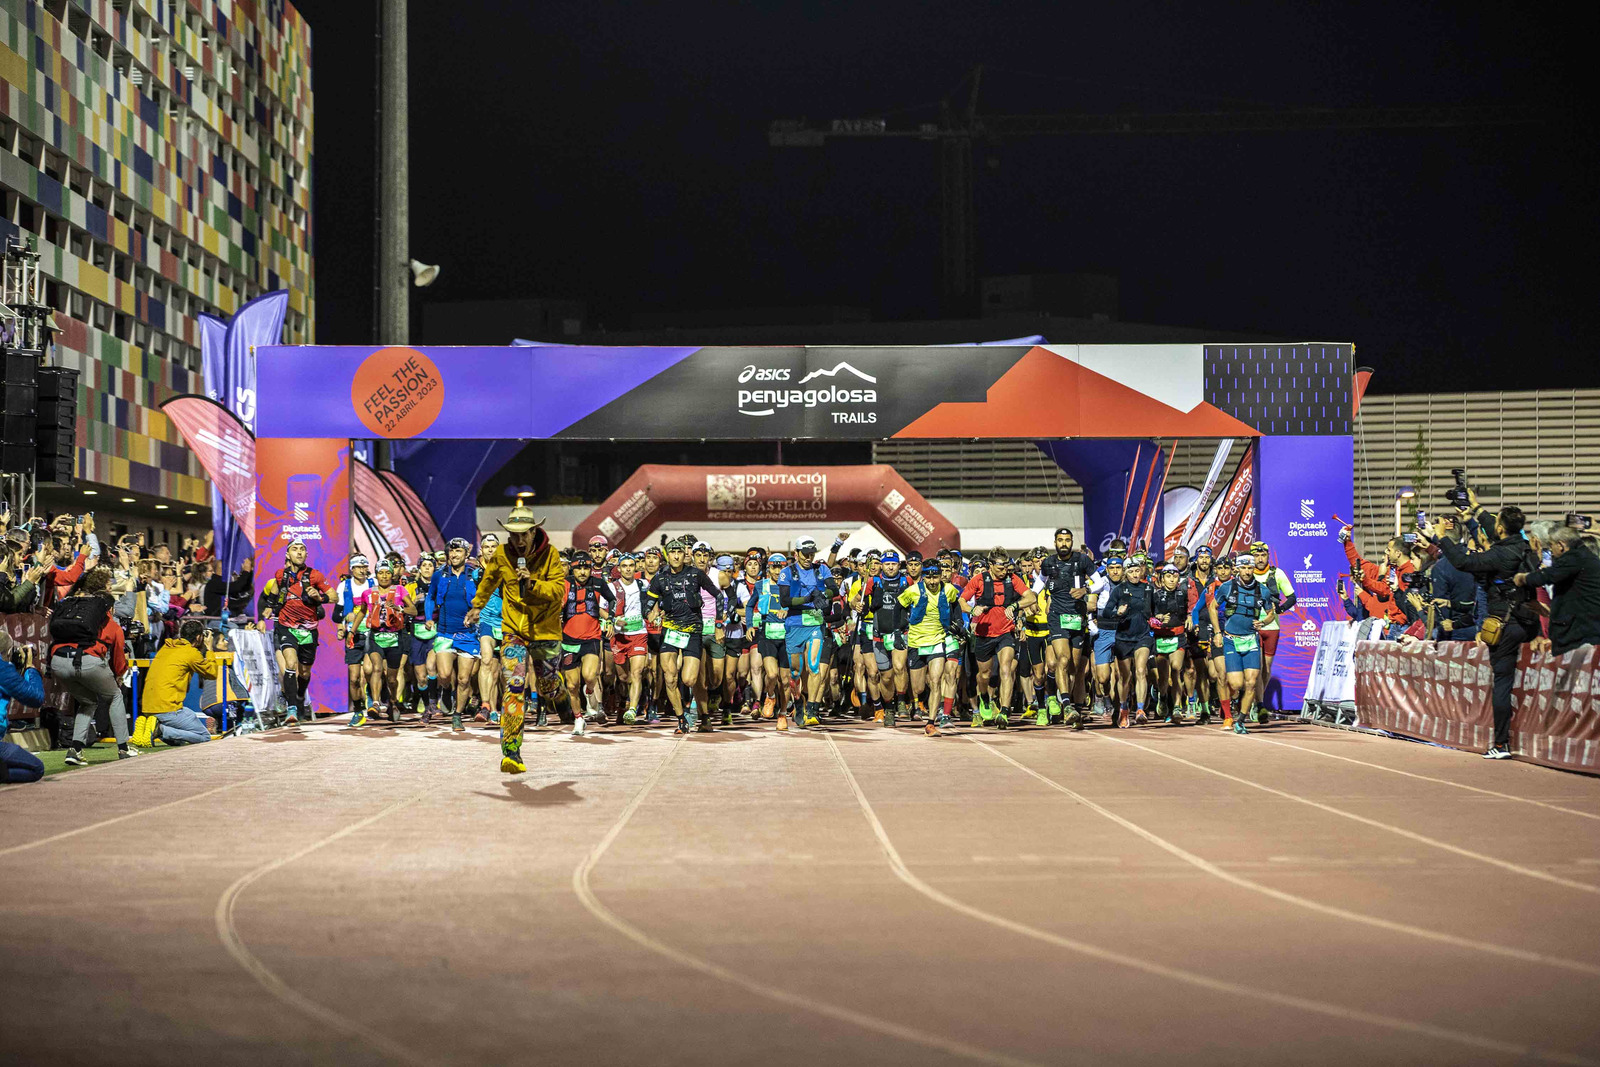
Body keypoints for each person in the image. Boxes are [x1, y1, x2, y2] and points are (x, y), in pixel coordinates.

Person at [1421, 502, 1539, 759]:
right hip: (1530, 622)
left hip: (1505, 625)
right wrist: (1474, 514)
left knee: (1503, 683)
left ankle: (1501, 744)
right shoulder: (1524, 547)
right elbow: (1497, 534)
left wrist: (1441, 538)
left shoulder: (1498, 555)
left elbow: (1463, 561)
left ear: (1501, 528)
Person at [465, 494, 566, 774]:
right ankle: (511, 751)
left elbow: (558, 591)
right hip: (513, 630)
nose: (519, 540)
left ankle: (560, 697)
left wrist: (532, 584)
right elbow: (488, 582)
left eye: (524, 534)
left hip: (545, 629)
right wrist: (477, 606)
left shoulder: (550, 554)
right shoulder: (501, 554)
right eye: (514, 534)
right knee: (515, 685)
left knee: (547, 686)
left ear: (534, 532)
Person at [50, 567, 135, 764]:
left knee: (88, 701)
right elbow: (119, 659)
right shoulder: (111, 623)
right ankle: (124, 748)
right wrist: (119, 675)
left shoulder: (73, 609)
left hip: (58, 662)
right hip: (87, 661)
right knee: (115, 695)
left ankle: (75, 750)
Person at [644, 537, 723, 732]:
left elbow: (718, 596)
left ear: (684, 555)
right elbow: (647, 603)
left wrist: (719, 623)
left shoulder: (696, 574)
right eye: (672, 552)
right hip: (670, 630)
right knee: (670, 678)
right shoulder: (660, 578)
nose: (676, 556)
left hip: (692, 630)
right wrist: (650, 613)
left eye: (679, 552)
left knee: (689, 680)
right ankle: (681, 719)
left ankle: (702, 712)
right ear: (667, 556)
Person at [259, 539, 332, 726]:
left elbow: (333, 596)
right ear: (287, 555)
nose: (299, 552)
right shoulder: (279, 576)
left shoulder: (314, 576)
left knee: (304, 672)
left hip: (308, 630)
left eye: (302, 549)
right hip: (285, 627)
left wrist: (319, 597)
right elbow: (269, 596)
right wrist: (266, 611)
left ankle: (299, 696)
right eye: (294, 549)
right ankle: (291, 708)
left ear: (306, 554)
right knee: (289, 665)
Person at [961, 551, 1036, 726]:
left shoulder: (1012, 579)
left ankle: (1004, 711)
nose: (1004, 571)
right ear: (991, 565)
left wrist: (1015, 605)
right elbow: (962, 601)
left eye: (1006, 567)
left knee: (1006, 669)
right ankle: (984, 698)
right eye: (1000, 568)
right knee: (984, 675)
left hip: (1005, 632)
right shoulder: (978, 580)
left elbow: (1031, 597)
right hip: (984, 633)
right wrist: (972, 610)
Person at [1206, 553, 1276, 735]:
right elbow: (1212, 607)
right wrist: (1217, 632)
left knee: (1251, 682)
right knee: (1236, 684)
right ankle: (1231, 704)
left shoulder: (1262, 590)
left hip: (1251, 640)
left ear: (1254, 569)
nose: (1246, 571)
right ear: (1237, 569)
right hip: (1231, 640)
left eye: (1249, 568)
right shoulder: (1227, 587)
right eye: (1243, 568)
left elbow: (1271, 613)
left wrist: (1263, 622)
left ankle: (1241, 720)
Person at [898, 556, 964, 735]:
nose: (933, 581)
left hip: (938, 639)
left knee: (936, 681)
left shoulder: (948, 589)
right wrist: (898, 631)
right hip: (917, 641)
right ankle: (917, 703)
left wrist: (958, 623)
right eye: (929, 578)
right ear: (923, 577)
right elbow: (899, 608)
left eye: (936, 577)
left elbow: (956, 605)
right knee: (918, 687)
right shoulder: (913, 591)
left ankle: (931, 722)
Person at [131, 619, 220, 746]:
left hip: (148, 707)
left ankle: (152, 726)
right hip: (168, 709)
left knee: (179, 740)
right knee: (204, 736)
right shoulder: (191, 653)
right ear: (199, 637)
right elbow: (212, 673)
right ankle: (160, 729)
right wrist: (209, 649)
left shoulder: (166, 647)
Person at [1515, 526, 1600, 655]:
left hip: (1581, 637)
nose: (1550, 550)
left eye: (1551, 545)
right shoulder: (1585, 559)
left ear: (1561, 545)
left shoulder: (1574, 558)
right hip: (1580, 632)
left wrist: (1523, 578)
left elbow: (1547, 575)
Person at [559, 551, 615, 736]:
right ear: (572, 569)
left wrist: (611, 619)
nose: (582, 572)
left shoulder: (598, 583)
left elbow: (612, 600)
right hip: (568, 640)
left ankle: (590, 691)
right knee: (571, 685)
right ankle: (578, 718)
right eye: (578, 568)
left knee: (590, 676)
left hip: (591, 638)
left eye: (586, 568)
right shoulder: (564, 583)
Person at [0, 630, 46, 783]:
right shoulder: (3, 669)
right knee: (36, 768)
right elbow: (36, 697)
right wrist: (30, 668)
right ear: (8, 652)